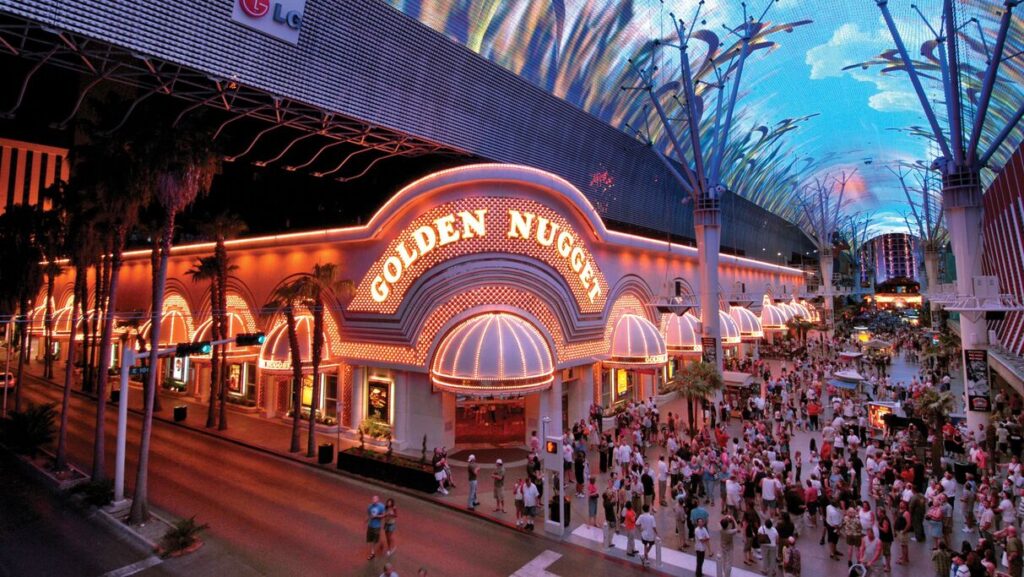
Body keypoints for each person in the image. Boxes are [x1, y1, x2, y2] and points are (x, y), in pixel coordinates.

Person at [367, 495, 386, 560]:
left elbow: (384, 515)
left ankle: (372, 553)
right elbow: (369, 515)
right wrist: (366, 521)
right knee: (372, 539)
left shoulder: (381, 506)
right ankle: (380, 544)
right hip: (370, 525)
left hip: (377, 525)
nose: (374, 501)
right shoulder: (369, 506)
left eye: (375, 500)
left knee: (375, 539)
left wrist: (376, 516)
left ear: (378, 500)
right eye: (373, 500)